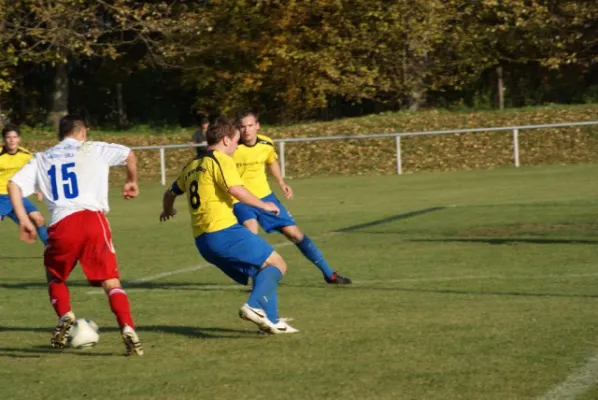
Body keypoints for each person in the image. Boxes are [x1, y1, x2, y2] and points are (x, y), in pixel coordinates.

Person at [7, 115, 143, 356]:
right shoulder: (93, 148)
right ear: (83, 132)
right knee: (111, 281)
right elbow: (129, 154)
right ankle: (127, 326)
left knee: (55, 274)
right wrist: (131, 181)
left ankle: (65, 314)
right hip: (93, 220)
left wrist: (24, 219)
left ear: (60, 134)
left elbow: (13, 185)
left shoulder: (42, 157)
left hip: (62, 224)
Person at [160, 117, 298, 334]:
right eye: (235, 141)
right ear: (225, 140)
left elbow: (170, 193)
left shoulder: (192, 165)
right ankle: (253, 306)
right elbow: (236, 190)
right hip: (223, 231)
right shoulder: (220, 160)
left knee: (261, 267)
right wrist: (264, 205)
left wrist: (167, 211)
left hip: (203, 241)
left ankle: (272, 321)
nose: (237, 145)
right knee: (278, 264)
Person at [233, 111, 351, 284]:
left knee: (295, 234)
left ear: (257, 125)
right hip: (241, 199)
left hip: (266, 197)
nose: (246, 130)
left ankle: (329, 274)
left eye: (250, 125)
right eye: (242, 126)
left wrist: (281, 182)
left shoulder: (266, 143)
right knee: (252, 231)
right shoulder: (232, 148)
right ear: (238, 128)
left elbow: (271, 161)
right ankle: (259, 281)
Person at [0, 124, 49, 245]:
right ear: (4, 140)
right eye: (8, 137)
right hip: (1, 197)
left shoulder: (26, 155)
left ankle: (51, 249)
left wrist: (37, 189)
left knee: (39, 219)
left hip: (17, 197)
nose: (11, 140)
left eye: (14, 137)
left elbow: (33, 174)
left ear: (19, 139)